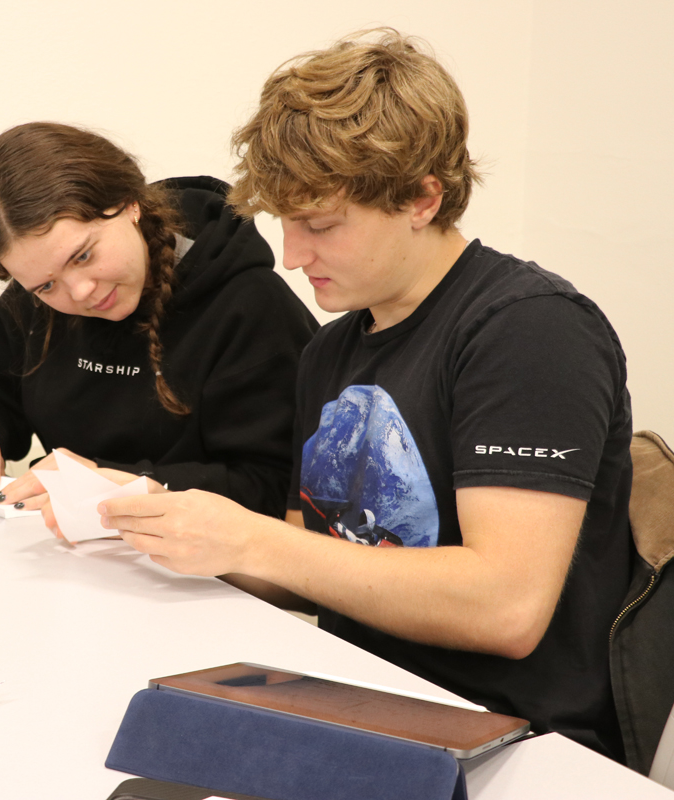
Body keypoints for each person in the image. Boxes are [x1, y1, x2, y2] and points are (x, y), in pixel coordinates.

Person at [99, 30, 632, 761]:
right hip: (360, 700)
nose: (292, 256)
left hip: (511, 739)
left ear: (422, 197)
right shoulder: (332, 350)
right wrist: (165, 528)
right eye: (286, 224)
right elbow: (309, 563)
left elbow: (507, 606)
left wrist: (256, 539)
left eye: (320, 225)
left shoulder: (530, 331)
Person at [0, 122, 318, 520]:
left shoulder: (249, 307)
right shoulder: (36, 304)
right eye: (45, 286)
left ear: (130, 203)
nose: (79, 292)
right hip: (83, 560)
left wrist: (124, 484)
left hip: (212, 575)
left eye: (83, 256)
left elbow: (276, 491)